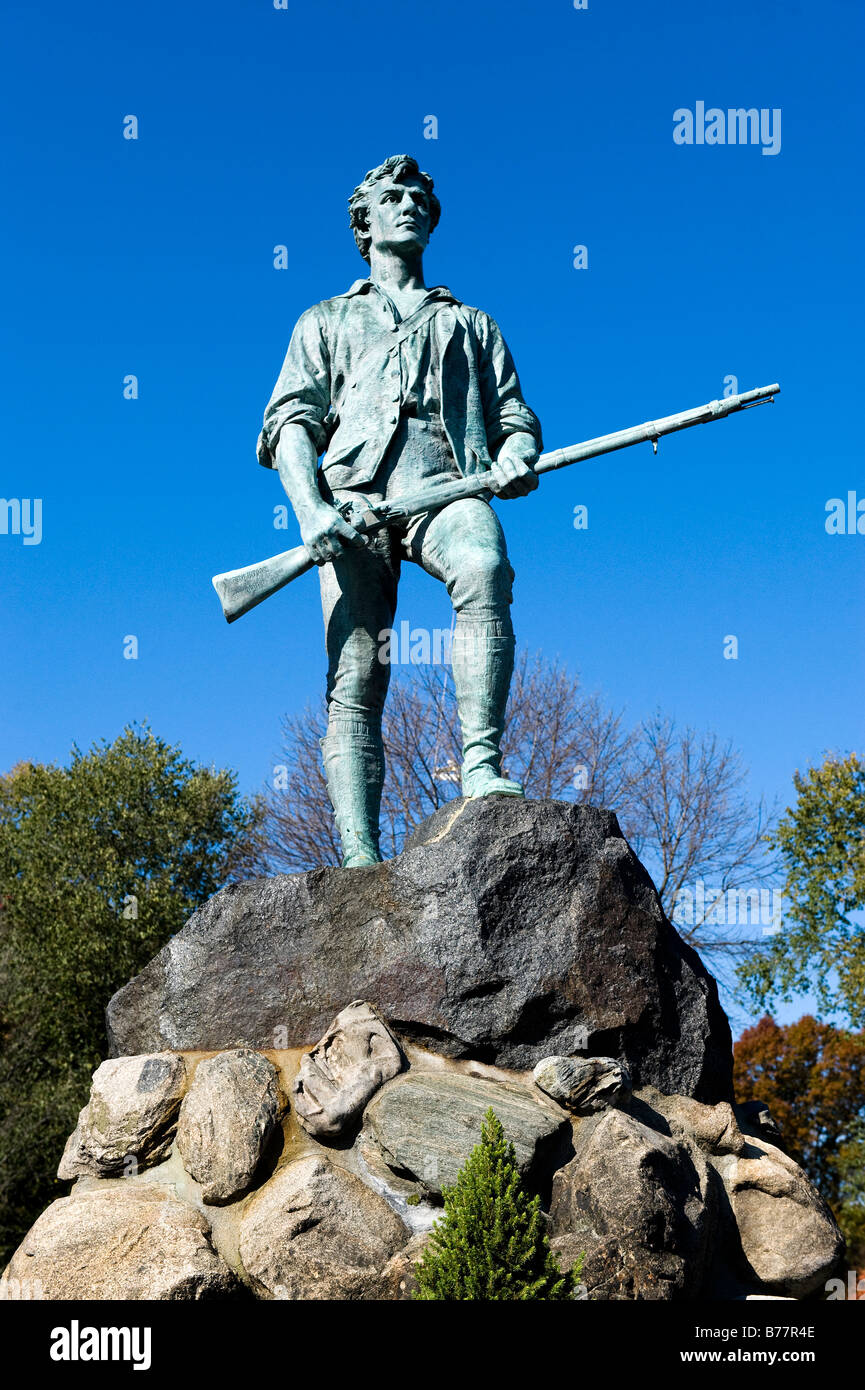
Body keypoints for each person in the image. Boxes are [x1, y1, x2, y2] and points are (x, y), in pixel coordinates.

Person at [257, 155, 542, 867]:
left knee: (484, 566)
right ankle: (358, 850)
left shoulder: (471, 324)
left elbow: (515, 416)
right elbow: (290, 425)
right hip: (351, 506)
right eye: (391, 196)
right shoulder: (325, 319)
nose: (407, 204)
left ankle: (479, 768)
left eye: (417, 196)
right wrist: (311, 511)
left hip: (446, 486)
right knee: (356, 672)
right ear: (364, 221)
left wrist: (516, 453)